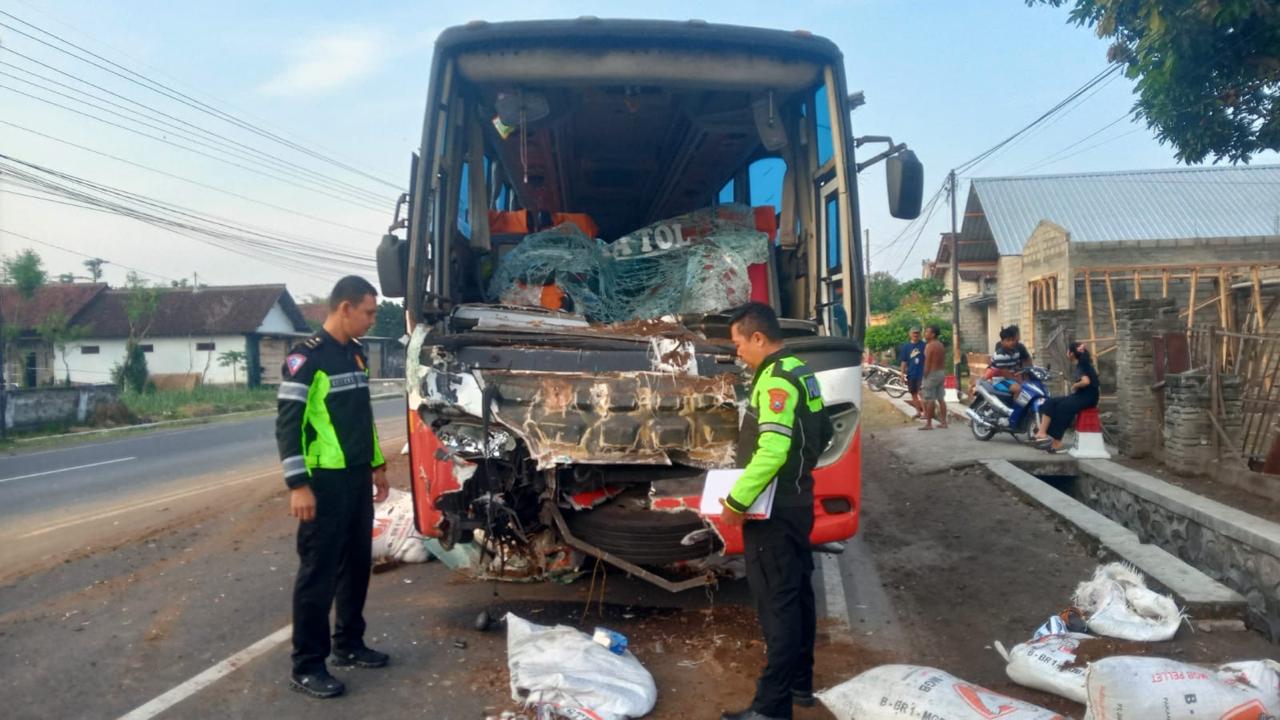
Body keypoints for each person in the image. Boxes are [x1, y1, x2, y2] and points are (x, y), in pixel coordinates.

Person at [276, 275, 391, 699]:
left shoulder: (355, 355)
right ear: (345, 308)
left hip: (357, 477)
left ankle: (348, 645)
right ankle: (307, 665)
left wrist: (377, 464)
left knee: (357, 565)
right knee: (318, 574)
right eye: (369, 312)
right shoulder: (307, 359)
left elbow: (363, 417)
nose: (371, 319)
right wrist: (297, 485)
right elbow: (288, 425)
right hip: (322, 483)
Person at [719, 302, 832, 720]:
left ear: (758, 339)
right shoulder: (803, 371)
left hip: (773, 510)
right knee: (798, 593)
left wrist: (736, 502)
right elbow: (821, 435)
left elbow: (772, 450)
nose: (737, 353)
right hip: (798, 501)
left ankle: (770, 708)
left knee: (777, 604)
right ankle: (800, 683)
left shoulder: (775, 380)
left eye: (738, 344)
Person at [1034, 341, 1099, 452]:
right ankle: (1042, 432)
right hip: (1082, 396)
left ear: (1071, 354)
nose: (1067, 352)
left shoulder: (1082, 365)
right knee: (1050, 402)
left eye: (1068, 350)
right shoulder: (1082, 364)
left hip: (1088, 398)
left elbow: (1086, 382)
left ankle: (1057, 442)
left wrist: (1075, 385)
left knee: (1063, 407)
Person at [987, 325, 1032, 398]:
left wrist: (1023, 374)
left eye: (1012, 340)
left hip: (1010, 378)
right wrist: (1018, 381)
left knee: (1027, 387)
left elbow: (1017, 367)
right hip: (999, 380)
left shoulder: (1016, 352)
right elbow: (1005, 373)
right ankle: (1014, 408)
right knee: (1018, 389)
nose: (1011, 342)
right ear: (1002, 342)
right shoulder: (1000, 355)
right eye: (1008, 340)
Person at [919, 325, 947, 430]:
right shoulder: (940, 345)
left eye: (927, 332)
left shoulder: (930, 346)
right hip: (941, 372)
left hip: (932, 373)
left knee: (929, 399)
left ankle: (929, 424)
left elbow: (928, 362)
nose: (925, 334)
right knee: (941, 399)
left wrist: (925, 375)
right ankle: (944, 422)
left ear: (933, 334)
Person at [897, 327, 926, 419]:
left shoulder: (924, 345)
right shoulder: (906, 347)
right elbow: (904, 361)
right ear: (910, 334)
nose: (915, 335)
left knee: (921, 393)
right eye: (914, 333)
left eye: (917, 333)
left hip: (922, 374)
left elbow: (928, 359)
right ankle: (918, 412)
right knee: (913, 394)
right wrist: (902, 374)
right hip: (911, 374)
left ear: (920, 334)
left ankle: (925, 413)